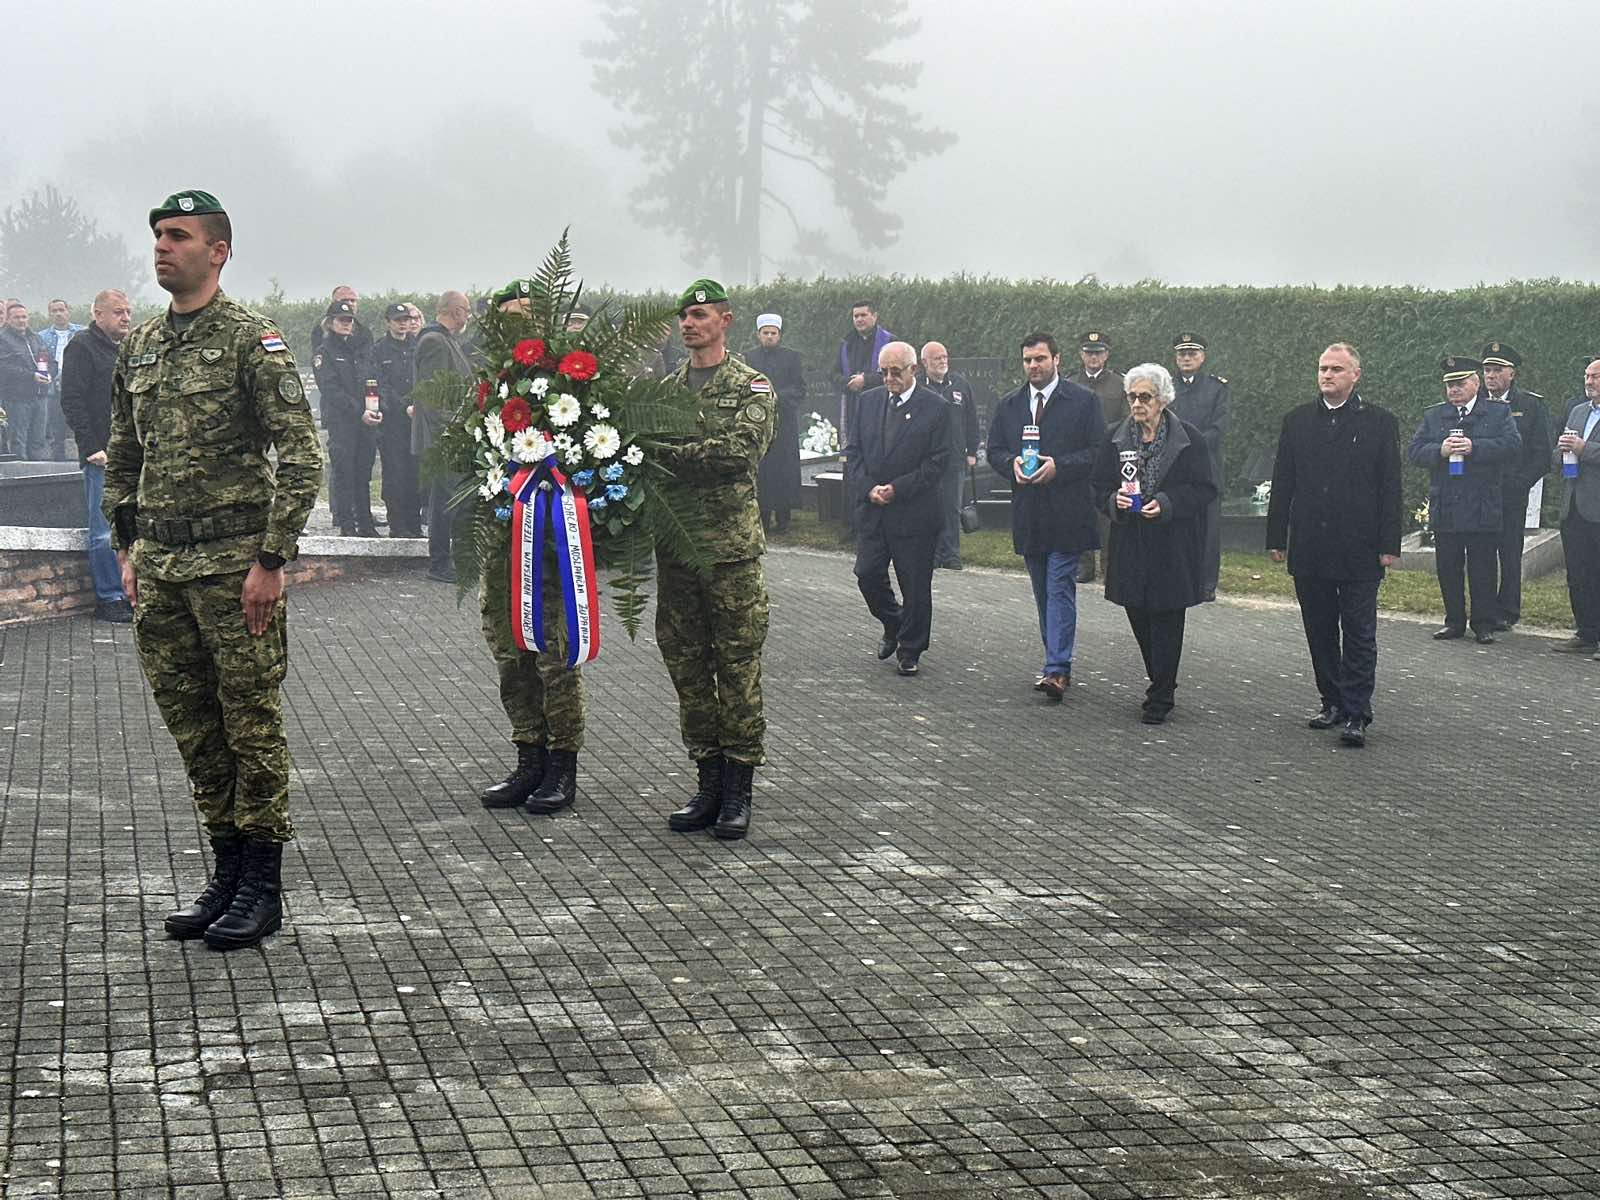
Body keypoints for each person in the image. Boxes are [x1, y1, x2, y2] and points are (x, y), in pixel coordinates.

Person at [103, 189, 322, 951]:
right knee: (195, 729)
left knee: (249, 724)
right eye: (157, 235)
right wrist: (127, 548)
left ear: (218, 251)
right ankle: (225, 873)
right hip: (162, 567)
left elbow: (301, 457)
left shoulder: (249, 341)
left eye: (178, 236)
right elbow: (124, 454)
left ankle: (262, 885)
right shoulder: (142, 345)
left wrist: (272, 560)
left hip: (234, 571)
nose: (162, 247)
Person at [655, 279, 776, 841]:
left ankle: (738, 791)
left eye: (700, 315)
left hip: (730, 556)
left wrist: (668, 455)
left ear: (725, 320)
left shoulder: (751, 386)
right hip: (679, 555)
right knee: (688, 669)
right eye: (684, 316)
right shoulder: (665, 389)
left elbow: (738, 452)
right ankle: (707, 783)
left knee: (737, 668)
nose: (688, 324)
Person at [475, 278, 588, 815]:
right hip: (501, 543)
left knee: (554, 656)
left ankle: (562, 766)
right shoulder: (490, 382)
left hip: (549, 548)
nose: (515, 326)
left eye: (524, 317)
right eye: (507, 318)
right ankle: (529, 758)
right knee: (509, 654)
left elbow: (587, 453)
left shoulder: (571, 379)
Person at [1265, 344, 1403, 748]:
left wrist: (1389, 544)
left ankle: (1358, 711)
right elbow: (1284, 482)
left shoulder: (1379, 422)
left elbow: (1390, 487)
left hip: (1359, 545)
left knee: (1359, 633)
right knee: (1320, 629)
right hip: (1311, 543)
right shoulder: (1298, 420)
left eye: (1337, 369)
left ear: (1355, 375)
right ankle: (1332, 701)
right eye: (1323, 368)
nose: (1327, 375)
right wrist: (1276, 538)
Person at [1090, 364, 1218, 724]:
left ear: (1163, 400)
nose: (1137, 404)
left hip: (1171, 544)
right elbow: (1097, 485)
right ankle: (1158, 676)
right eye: (1132, 397)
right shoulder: (1116, 437)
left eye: (1144, 397)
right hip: (1131, 540)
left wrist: (1166, 503)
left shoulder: (1188, 437)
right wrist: (1112, 500)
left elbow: (1204, 488)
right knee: (1138, 612)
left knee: (1167, 615)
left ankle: (1162, 693)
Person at [985, 333, 1102, 700]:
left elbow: (1098, 451)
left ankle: (1057, 669)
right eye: (1027, 360)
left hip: (1067, 511)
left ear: (1056, 360)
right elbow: (995, 450)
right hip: (1029, 512)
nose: (1033, 366)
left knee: (1058, 586)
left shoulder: (1083, 401)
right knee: (1042, 592)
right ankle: (1053, 659)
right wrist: (1012, 464)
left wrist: (1060, 467)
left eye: (1040, 359)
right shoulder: (1010, 405)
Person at [846, 341, 952, 676]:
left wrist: (898, 489)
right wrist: (868, 488)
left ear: (913, 370)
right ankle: (894, 622)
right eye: (884, 372)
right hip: (874, 509)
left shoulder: (936, 408)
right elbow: (854, 452)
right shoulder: (867, 402)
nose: (889, 378)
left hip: (914, 512)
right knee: (867, 574)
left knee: (916, 585)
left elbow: (937, 463)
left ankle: (910, 649)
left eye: (896, 372)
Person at [1406, 356, 1522, 643]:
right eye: (1449, 386)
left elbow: (1512, 445)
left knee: (1483, 566)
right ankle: (1454, 621)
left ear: (1475, 383)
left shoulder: (1496, 413)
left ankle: (1483, 623)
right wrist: (1440, 451)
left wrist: (1475, 447)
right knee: (1448, 565)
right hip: (1448, 503)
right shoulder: (1435, 415)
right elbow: (1414, 451)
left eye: (1459, 384)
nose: (1454, 390)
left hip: (1482, 502)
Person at [59, 288, 135, 623]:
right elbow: (72, 399)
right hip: (101, 454)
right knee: (103, 530)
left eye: (128, 312)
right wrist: (90, 447)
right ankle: (108, 597)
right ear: (98, 314)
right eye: (118, 312)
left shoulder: (127, 349)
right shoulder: (82, 346)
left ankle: (130, 592)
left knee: (130, 526)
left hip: (130, 455)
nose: (126, 318)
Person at [1480, 342, 1554, 630]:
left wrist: (1521, 483)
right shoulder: (1476, 404)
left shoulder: (1530, 405)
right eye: (1487, 370)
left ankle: (1507, 610)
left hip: (1512, 492)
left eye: (1497, 370)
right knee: (1481, 553)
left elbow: (1541, 453)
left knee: (1509, 554)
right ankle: (1483, 608)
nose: (1491, 376)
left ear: (1512, 374)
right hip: (1482, 492)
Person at [412, 290, 473, 582]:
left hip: (451, 435)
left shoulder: (446, 340)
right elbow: (435, 397)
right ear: (456, 311)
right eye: (467, 311)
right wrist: (450, 434)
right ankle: (439, 562)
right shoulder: (435, 342)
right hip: (443, 438)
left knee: (452, 500)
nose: (468, 317)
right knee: (444, 502)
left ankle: (449, 560)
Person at [1170, 333, 1230, 600]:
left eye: (1192, 353)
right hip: (1172, 466)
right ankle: (1179, 579)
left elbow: (1218, 428)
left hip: (1206, 467)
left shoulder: (1217, 388)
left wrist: (1189, 447)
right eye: (1182, 353)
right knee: (1176, 526)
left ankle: (1206, 584)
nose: (1186, 358)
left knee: (1208, 530)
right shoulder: (1166, 387)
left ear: (1202, 357)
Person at [312, 299, 378, 537]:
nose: (346, 324)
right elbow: (331, 389)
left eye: (349, 320)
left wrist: (373, 408)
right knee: (344, 472)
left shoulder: (359, 349)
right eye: (341, 320)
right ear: (330, 323)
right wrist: (357, 410)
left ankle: (366, 523)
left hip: (365, 421)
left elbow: (370, 381)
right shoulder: (324, 352)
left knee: (363, 472)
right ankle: (347, 525)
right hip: (343, 421)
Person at [1064, 331, 1125, 583]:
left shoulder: (1119, 384)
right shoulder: (1069, 382)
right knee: (1081, 511)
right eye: (1088, 352)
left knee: (1108, 513)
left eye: (1098, 352)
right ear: (1081, 354)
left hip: (1109, 456)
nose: (1093, 357)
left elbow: (1125, 420)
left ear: (1106, 355)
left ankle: (1110, 567)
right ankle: (1083, 565)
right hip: (1080, 457)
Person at [1551, 359, 1600, 658]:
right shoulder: (1578, 410)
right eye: (1587, 376)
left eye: (1595, 376)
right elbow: (1558, 450)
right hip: (1574, 506)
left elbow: (1584, 448)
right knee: (1578, 574)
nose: (1589, 381)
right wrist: (1562, 452)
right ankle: (1586, 632)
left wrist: (1585, 449)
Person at [919, 340, 980, 570]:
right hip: (926, 458)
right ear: (924, 362)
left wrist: (972, 450)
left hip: (955, 458)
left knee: (952, 508)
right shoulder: (918, 387)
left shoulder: (960, 385)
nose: (943, 361)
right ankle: (932, 554)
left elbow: (971, 420)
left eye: (945, 356)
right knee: (929, 507)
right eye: (937, 358)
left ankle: (951, 554)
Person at [746, 314, 806, 533]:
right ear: (758, 335)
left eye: (773, 333)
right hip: (758, 421)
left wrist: (777, 396)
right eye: (766, 333)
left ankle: (784, 518)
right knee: (762, 469)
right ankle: (762, 516)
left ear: (779, 335)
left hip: (784, 422)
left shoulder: (792, 358)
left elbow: (799, 388)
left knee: (783, 470)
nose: (769, 337)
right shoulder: (749, 358)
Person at [370, 302, 422, 536]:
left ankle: (414, 523)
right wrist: (404, 407)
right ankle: (398, 526)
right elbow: (380, 384)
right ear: (388, 322)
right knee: (395, 474)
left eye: (406, 319)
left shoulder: (418, 346)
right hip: (393, 422)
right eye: (398, 319)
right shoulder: (379, 350)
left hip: (416, 420)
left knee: (415, 473)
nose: (403, 323)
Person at [834, 300, 893, 449]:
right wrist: (848, 382)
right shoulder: (846, 344)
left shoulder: (889, 342)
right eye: (855, 316)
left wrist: (865, 380)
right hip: (852, 405)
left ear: (874, 316)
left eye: (863, 315)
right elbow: (834, 373)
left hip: (880, 404)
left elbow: (896, 374)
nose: (859, 319)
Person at [0, 302, 54, 459]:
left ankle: (39, 477)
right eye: (16, 317)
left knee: (39, 440)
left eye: (24, 317)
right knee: (18, 440)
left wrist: (49, 373)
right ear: (8, 319)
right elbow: (4, 367)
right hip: (17, 398)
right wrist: (31, 376)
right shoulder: (2, 340)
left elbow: (50, 360)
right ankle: (20, 477)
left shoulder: (36, 338)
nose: (21, 320)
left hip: (41, 396)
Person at [38, 299, 85, 461]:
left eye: (61, 310)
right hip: (52, 387)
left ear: (68, 311)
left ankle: (83, 458)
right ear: (49, 314)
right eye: (54, 311)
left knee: (80, 423)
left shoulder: (82, 333)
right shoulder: (41, 337)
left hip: (77, 386)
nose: (58, 314)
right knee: (55, 425)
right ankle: (58, 461)